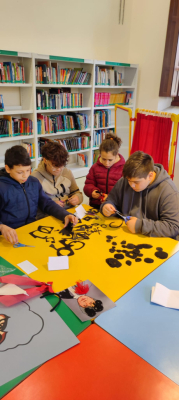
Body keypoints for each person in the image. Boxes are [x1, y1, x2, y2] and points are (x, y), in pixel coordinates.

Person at [0, 145, 78, 244]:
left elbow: (47, 203)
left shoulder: (33, 182)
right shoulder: (2, 188)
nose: (25, 176)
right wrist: (1, 227)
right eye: (20, 172)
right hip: (9, 237)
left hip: (31, 231)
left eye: (28, 170)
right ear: (8, 169)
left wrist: (65, 215)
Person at [101, 151, 179, 239]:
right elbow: (111, 200)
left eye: (136, 182)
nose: (131, 185)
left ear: (150, 175)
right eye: (128, 180)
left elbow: (173, 227)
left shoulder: (168, 191)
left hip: (155, 242)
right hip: (125, 236)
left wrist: (140, 226)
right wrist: (106, 206)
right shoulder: (125, 181)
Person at [32, 141, 83, 209]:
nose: (59, 170)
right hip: (48, 214)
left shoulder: (67, 172)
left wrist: (77, 198)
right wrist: (50, 204)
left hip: (69, 210)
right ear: (45, 160)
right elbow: (33, 204)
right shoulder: (35, 178)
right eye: (55, 166)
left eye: (61, 166)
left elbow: (76, 192)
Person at [84, 133, 125, 209]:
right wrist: (92, 191)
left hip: (115, 207)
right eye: (104, 159)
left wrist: (110, 198)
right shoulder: (95, 167)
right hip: (96, 205)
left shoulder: (124, 169)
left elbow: (126, 193)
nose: (107, 163)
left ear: (116, 155)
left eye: (110, 160)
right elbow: (87, 185)